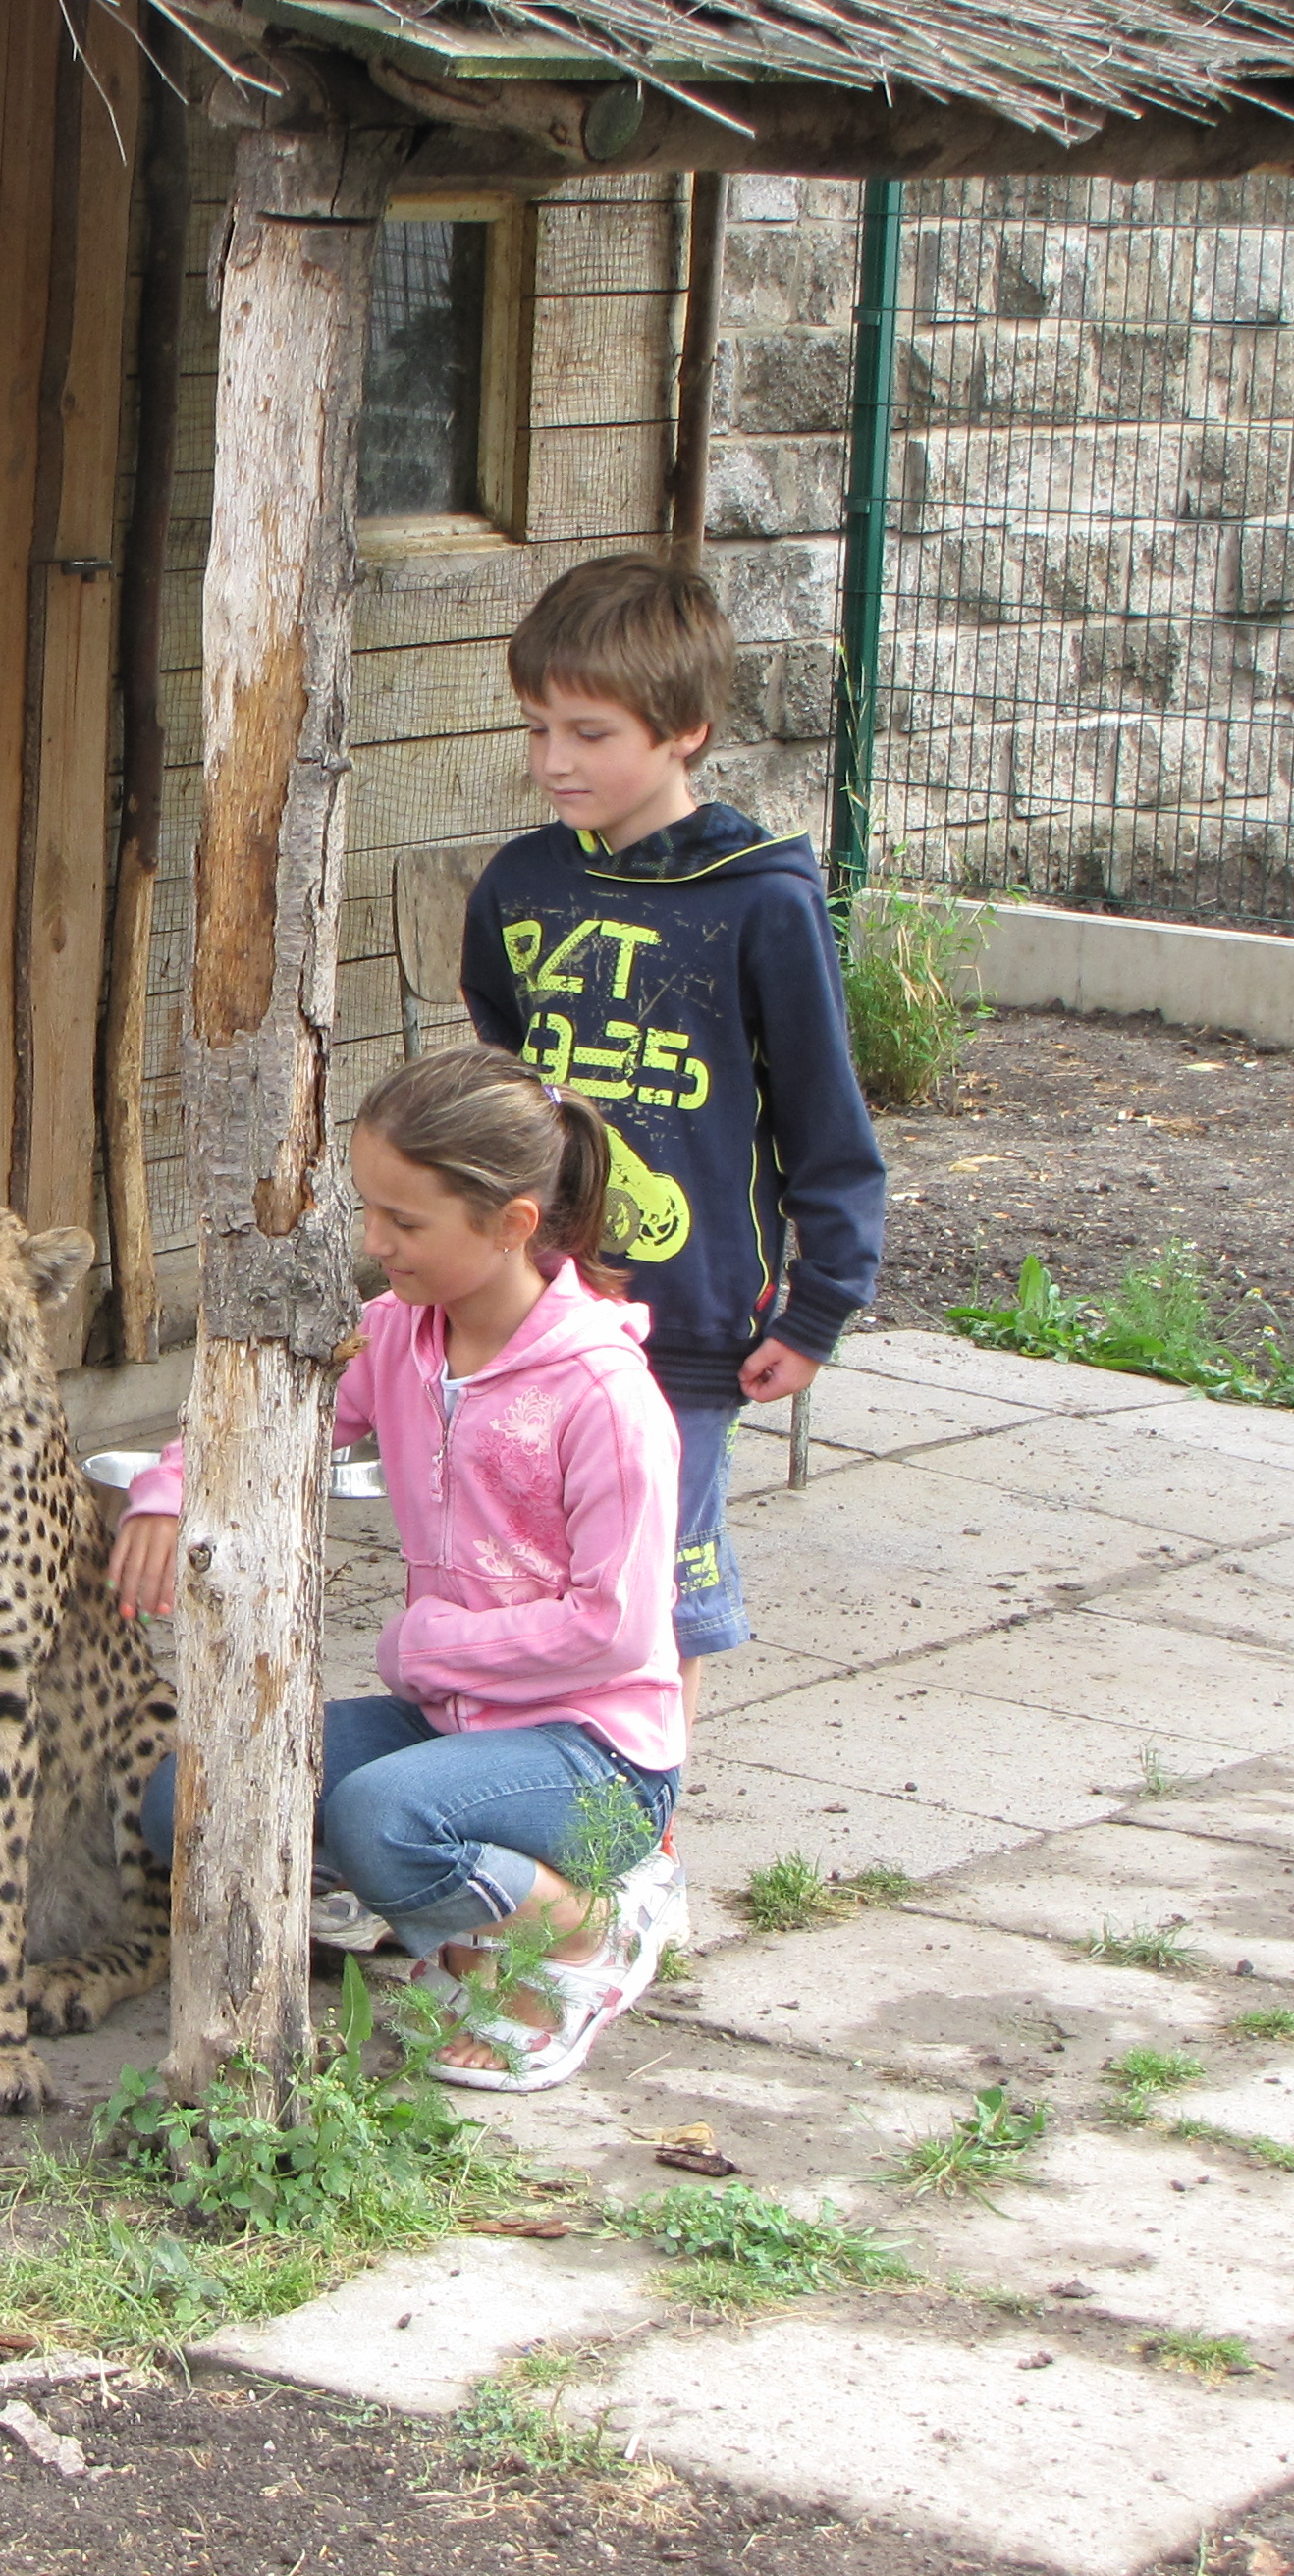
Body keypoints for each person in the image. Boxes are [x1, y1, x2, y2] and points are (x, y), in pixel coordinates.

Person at [111, 1049, 686, 2091]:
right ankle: (457, 1929)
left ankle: (587, 1933)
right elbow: (267, 1423)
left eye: (405, 1225)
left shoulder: (604, 1395)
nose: (374, 1246)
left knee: (384, 1819)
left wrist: (432, 1645)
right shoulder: (400, 1340)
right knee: (188, 1798)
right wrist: (165, 1489)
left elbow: (620, 1629)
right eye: (369, 1211)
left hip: (598, 1753)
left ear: (512, 1224)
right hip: (454, 1721)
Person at [458, 552, 888, 1932]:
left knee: (652, 1593)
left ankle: (642, 1855)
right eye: (538, 729)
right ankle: (528, 1813)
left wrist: (817, 1305)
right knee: (526, 1571)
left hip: (692, 1324)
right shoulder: (523, 886)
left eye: (589, 734)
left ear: (682, 731)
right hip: (540, 1307)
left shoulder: (764, 899)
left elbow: (826, 1117)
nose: (553, 761)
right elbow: (499, 1070)